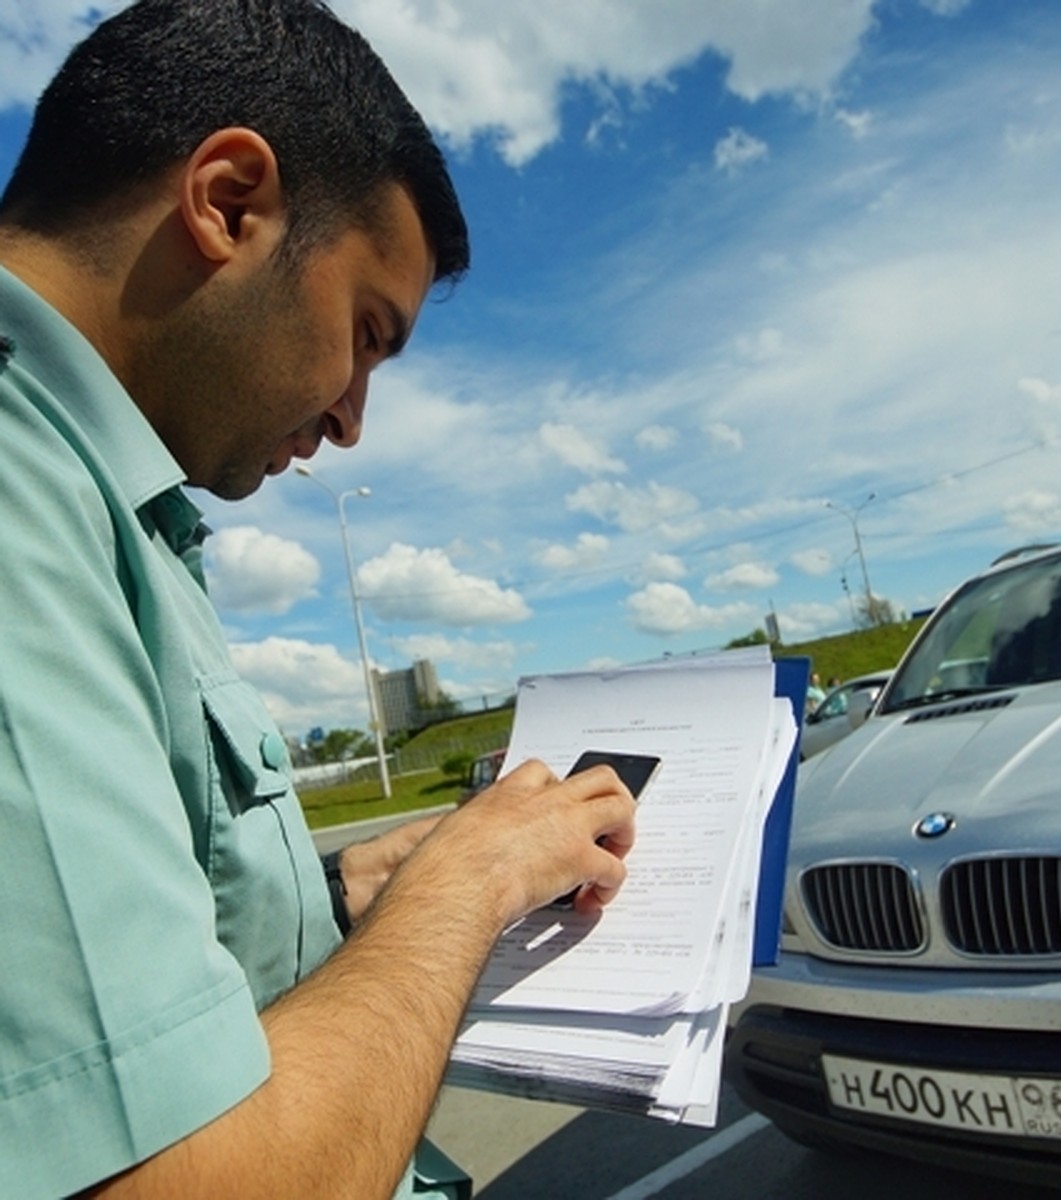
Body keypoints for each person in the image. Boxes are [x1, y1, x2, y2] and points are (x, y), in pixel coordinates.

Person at [0, 2, 637, 1197]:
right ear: (228, 202)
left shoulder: (102, 502)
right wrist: (469, 886)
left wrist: (350, 897)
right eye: (366, 334)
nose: (351, 415)